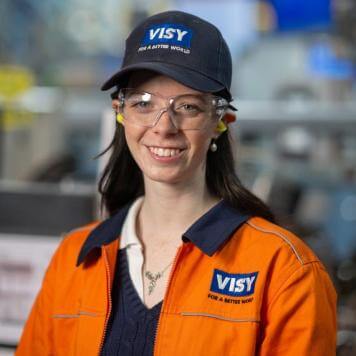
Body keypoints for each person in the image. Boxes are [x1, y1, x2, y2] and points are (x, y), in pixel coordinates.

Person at [16, 10, 336, 356]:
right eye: (143, 103)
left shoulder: (284, 269)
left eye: (187, 107)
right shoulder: (76, 258)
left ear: (221, 121)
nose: (164, 126)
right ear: (120, 113)